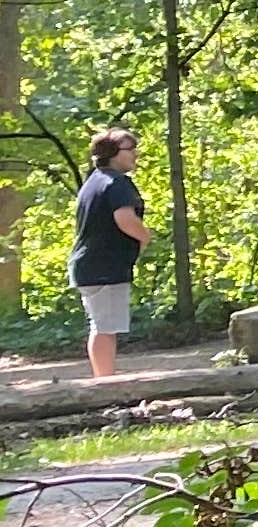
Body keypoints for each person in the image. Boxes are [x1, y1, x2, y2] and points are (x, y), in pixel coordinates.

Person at [70, 127, 147, 381]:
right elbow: (125, 219)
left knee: (103, 325)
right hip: (104, 266)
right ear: (113, 153)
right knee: (104, 327)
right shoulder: (116, 182)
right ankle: (105, 383)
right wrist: (145, 236)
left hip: (92, 265)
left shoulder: (94, 180)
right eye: (130, 149)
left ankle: (105, 378)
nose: (135, 154)